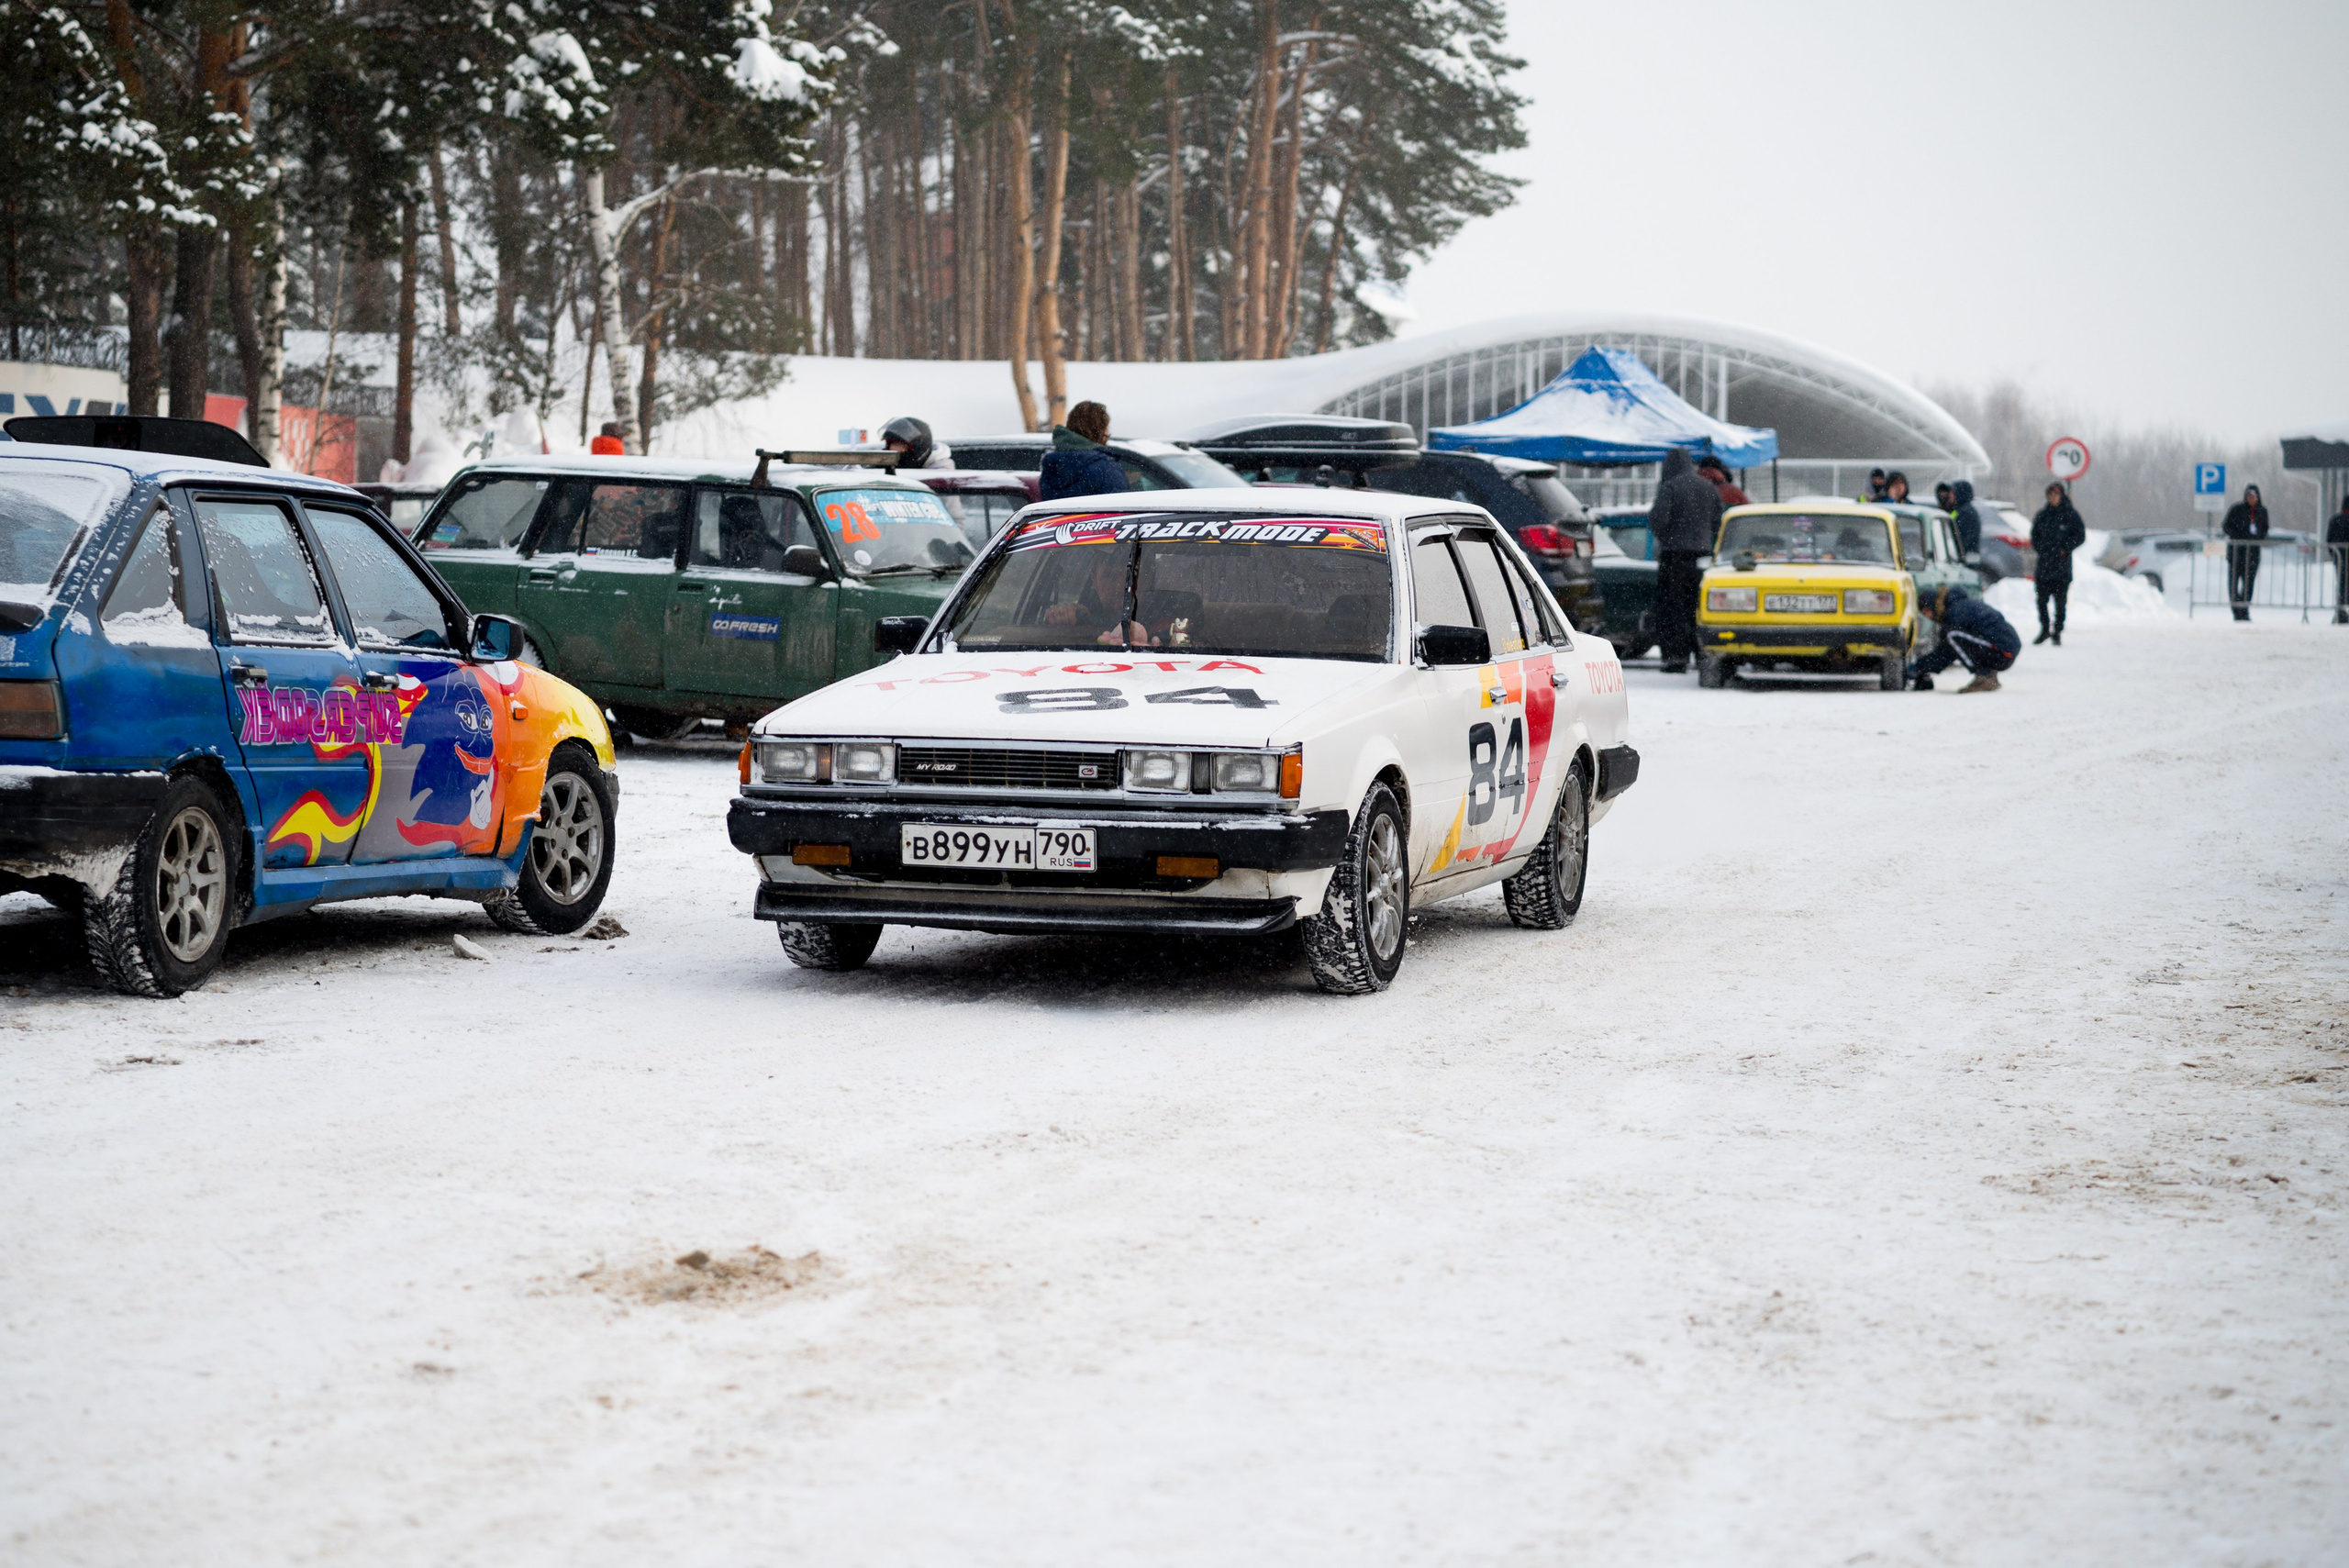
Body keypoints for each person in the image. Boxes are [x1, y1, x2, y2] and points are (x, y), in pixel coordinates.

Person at [1648, 446, 1723, 673]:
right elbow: (1718, 521)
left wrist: (1668, 539)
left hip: (1674, 556)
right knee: (1698, 608)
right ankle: (1701, 654)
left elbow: (1658, 520)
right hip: (1702, 557)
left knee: (1672, 607)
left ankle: (1675, 657)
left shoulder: (1669, 487)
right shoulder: (1708, 487)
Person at [1909, 584, 2021, 693]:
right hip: (2005, 650)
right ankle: (1989, 675)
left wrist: (1918, 668)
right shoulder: (1959, 605)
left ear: (1934, 605)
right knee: (1953, 637)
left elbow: (1947, 652)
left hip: (2003, 651)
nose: (1927, 617)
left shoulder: (1955, 611)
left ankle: (1985, 677)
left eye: (1926, 611)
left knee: (1950, 635)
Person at [2030, 482, 2087, 644]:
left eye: (2056, 495)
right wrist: (2042, 549)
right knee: (2041, 599)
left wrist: (2065, 547)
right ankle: (2044, 629)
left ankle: (2058, 631)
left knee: (2060, 602)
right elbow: (2034, 536)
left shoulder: (2070, 515)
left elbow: (2080, 535)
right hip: (2044, 565)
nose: (2053, 498)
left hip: (2062, 566)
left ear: (2061, 496)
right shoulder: (2042, 515)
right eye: (2051, 495)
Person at [1040, 401, 1130, 502]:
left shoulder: (1052, 466)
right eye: (1105, 427)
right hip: (1094, 518)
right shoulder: (1105, 468)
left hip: (1058, 518)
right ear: (1099, 431)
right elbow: (1119, 509)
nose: (1107, 433)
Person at [2221, 484, 2270, 622]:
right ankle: (2236, 609)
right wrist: (2239, 536)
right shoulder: (2237, 509)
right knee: (2233, 584)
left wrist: (2256, 538)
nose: (2251, 499)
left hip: (2253, 554)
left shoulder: (2262, 511)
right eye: (2249, 496)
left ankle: (2244, 609)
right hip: (2237, 553)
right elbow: (2226, 526)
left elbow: (2265, 530)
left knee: (2249, 584)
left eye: (2254, 496)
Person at [880, 415, 953, 470]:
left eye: (900, 444)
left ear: (918, 447)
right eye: (890, 443)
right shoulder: (882, 465)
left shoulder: (940, 473)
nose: (892, 448)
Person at [2327, 493, 2349, 625]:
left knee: (2342, 585)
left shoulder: (2335, 519)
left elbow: (2329, 540)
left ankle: (2341, 611)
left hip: (2340, 560)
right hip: (2342, 559)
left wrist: (2334, 555)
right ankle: (2341, 611)